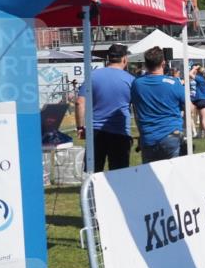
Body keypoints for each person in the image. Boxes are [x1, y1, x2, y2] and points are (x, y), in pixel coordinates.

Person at [75, 43, 134, 172]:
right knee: (120, 174)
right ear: (125, 59)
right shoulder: (130, 80)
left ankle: (91, 193)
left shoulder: (92, 76)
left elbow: (80, 102)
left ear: (108, 58)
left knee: (92, 173)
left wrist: (80, 126)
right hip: (120, 132)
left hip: (95, 132)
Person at [131, 46, 187, 163]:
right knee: (176, 176)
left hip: (148, 137)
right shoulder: (174, 83)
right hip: (172, 135)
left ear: (146, 64)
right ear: (163, 63)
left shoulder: (137, 84)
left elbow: (136, 111)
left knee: (151, 178)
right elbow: (189, 106)